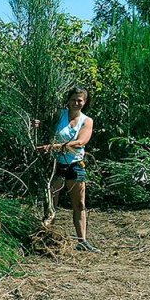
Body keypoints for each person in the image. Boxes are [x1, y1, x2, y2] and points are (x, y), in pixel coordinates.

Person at [35, 86, 96, 252]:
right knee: (51, 202)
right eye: (73, 100)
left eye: (80, 100)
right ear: (68, 100)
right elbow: (44, 126)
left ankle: (82, 241)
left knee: (79, 204)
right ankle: (46, 237)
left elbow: (81, 142)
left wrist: (53, 146)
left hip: (75, 165)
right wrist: (38, 124)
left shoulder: (86, 120)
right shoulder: (59, 115)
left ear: (85, 102)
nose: (76, 103)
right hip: (56, 165)